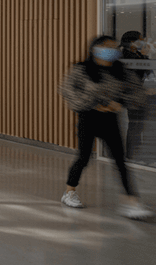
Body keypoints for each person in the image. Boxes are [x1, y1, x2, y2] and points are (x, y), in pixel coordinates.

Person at [60, 35, 152, 218]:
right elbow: (67, 91)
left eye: (114, 46)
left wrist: (121, 103)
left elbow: (138, 93)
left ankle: (131, 202)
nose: (112, 49)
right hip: (88, 118)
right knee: (84, 157)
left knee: (120, 161)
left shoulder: (121, 71)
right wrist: (93, 104)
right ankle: (69, 192)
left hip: (110, 120)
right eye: (106, 46)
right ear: (95, 49)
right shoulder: (82, 69)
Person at [120, 31, 151, 159]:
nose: (142, 42)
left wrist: (144, 56)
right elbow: (136, 72)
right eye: (140, 40)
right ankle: (131, 153)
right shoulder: (125, 55)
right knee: (135, 124)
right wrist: (144, 56)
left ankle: (136, 150)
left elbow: (148, 70)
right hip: (131, 94)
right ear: (131, 42)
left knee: (139, 124)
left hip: (140, 93)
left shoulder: (136, 54)